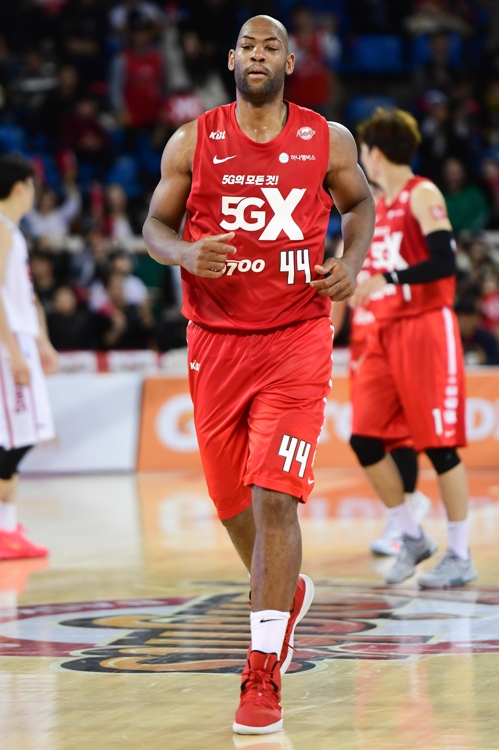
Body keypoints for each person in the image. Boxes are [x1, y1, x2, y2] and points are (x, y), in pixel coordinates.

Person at [143, 14, 375, 735]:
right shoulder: (193, 140)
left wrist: (350, 261)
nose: (258, 55)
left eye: (271, 47)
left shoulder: (327, 138)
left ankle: (263, 669)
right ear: (230, 59)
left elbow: (360, 202)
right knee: (231, 502)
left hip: (297, 337)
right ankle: (285, 589)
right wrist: (185, 254)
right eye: (247, 46)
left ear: (289, 63)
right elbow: (154, 227)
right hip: (215, 342)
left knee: (276, 498)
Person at [350, 107, 476, 589]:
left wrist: (388, 277)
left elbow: (445, 261)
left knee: (440, 447)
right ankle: (412, 535)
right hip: (382, 333)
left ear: (376, 153)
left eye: (364, 151)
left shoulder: (423, 193)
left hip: (425, 329)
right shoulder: (378, 206)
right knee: (365, 439)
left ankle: (460, 554)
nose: (363, 159)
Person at [331, 188, 430, 558]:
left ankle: (404, 516)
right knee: (368, 436)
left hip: (404, 339)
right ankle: (406, 513)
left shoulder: (408, 228)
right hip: (366, 346)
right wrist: (324, 338)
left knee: (399, 433)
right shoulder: (348, 239)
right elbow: (338, 297)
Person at [0, 154, 59, 561]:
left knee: (21, 437)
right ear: (21, 187)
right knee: (14, 440)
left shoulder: (13, 231)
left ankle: (7, 526)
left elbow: (28, 297)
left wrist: (42, 342)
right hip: (8, 345)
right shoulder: (2, 229)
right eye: (34, 186)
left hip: (21, 341)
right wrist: (13, 351)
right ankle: (2, 528)